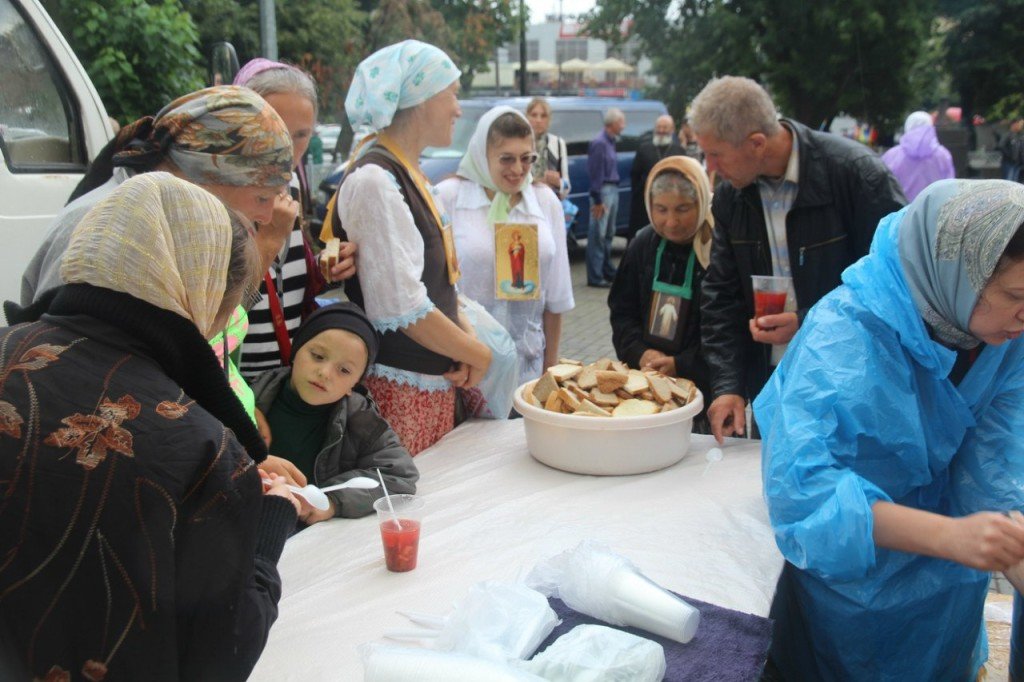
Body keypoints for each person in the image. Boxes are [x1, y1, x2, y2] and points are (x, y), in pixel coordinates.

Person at [0, 173, 301, 681]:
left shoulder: (11, 351)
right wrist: (270, 530)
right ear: (205, 290)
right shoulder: (202, 449)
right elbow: (220, 657)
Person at [754, 179, 1024, 680]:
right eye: (1016, 295)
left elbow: (998, 455)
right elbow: (804, 495)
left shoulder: (1004, 337)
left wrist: (1011, 540)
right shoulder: (843, 336)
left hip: (951, 589)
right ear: (957, 274)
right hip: (853, 594)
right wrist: (949, 535)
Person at [690, 75, 905, 443]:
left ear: (757, 143)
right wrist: (727, 386)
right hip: (772, 383)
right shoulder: (730, 197)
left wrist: (806, 321)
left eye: (716, 154)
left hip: (851, 384)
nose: (709, 167)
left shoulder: (856, 174)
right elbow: (721, 295)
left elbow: (894, 284)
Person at [321, 40, 492, 455]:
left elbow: (439, 282)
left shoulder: (408, 173)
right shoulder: (375, 180)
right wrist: (478, 353)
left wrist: (465, 342)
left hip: (430, 382)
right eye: (452, 94)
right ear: (422, 98)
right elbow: (399, 306)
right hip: (400, 392)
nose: (458, 109)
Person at [21, 85, 298, 306]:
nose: (266, 216)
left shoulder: (179, 227)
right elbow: (55, 353)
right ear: (207, 176)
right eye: (262, 198)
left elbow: (220, 330)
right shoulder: (100, 231)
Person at [232, 59, 357, 380]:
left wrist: (326, 269)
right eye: (275, 131)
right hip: (234, 384)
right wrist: (270, 239)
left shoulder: (292, 188)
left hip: (287, 381)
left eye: (301, 135)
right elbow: (216, 313)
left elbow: (287, 284)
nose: (287, 149)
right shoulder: (220, 198)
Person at [438, 106, 574, 386]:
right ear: (482, 154)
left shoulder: (545, 202)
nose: (518, 169)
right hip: (467, 368)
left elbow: (556, 296)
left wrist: (550, 369)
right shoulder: (449, 197)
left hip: (528, 366)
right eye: (506, 159)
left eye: (526, 158)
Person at [250, 302, 418, 525]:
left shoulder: (359, 418)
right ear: (296, 350)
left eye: (344, 370)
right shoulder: (248, 399)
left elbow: (400, 475)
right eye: (318, 356)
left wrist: (332, 501)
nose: (325, 373)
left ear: (354, 384)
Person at [608, 156, 713, 428]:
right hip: (646, 387)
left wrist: (682, 364)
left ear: (701, 203)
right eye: (661, 209)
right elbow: (622, 312)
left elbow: (727, 326)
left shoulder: (716, 248)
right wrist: (640, 352)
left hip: (705, 395)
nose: (671, 221)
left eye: (682, 209)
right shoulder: (642, 245)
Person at [586, 108, 626, 287]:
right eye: (622, 122)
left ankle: (606, 270)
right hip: (603, 191)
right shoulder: (599, 143)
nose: (624, 126)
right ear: (613, 123)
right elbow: (595, 172)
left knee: (609, 234)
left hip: (613, 190)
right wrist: (598, 200)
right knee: (598, 235)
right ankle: (595, 276)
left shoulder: (610, 142)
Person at [628, 114, 685, 241]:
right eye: (659, 127)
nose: (661, 130)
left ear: (672, 130)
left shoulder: (679, 150)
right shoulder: (644, 149)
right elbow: (635, 174)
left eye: (665, 127)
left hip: (671, 200)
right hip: (645, 201)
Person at [881, 111, 955, 201]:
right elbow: (950, 188)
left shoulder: (891, 155)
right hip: (934, 208)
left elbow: (884, 187)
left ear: (907, 126)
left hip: (901, 208)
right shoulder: (943, 155)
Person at [526, 96, 571, 199]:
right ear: (527, 117)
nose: (538, 120)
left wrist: (558, 182)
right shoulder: (520, 144)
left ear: (549, 120)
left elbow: (567, 186)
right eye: (534, 115)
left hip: (550, 202)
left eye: (543, 116)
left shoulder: (558, 143)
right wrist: (535, 182)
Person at [999, 116, 1024, 183]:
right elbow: (1002, 146)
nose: (1021, 126)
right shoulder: (1008, 135)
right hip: (1009, 163)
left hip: (1017, 163)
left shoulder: (1020, 135)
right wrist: (1010, 156)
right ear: (1014, 124)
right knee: (1008, 181)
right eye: (1020, 124)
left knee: (1015, 182)